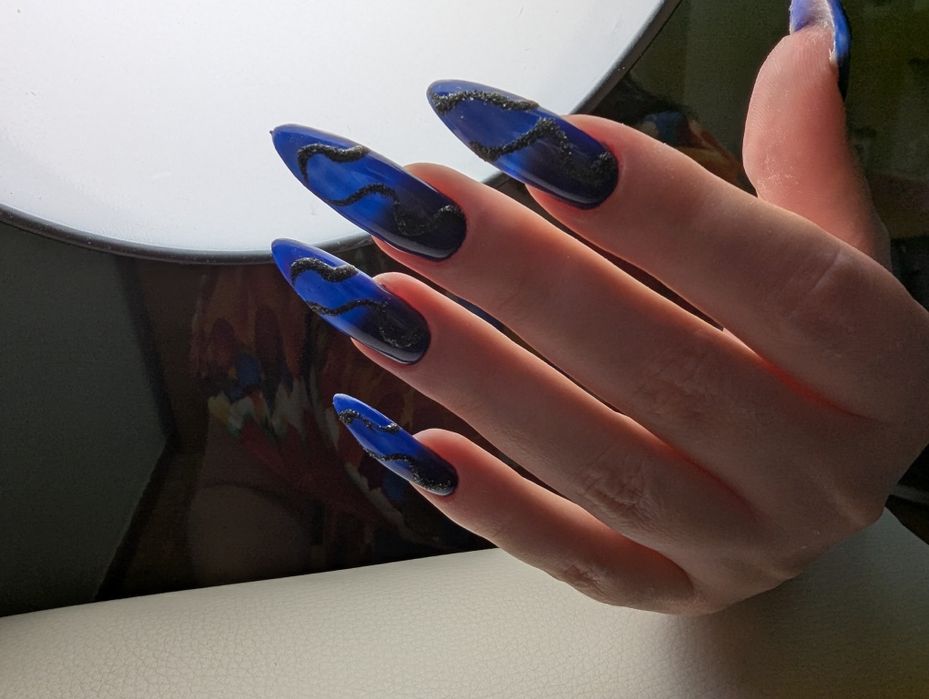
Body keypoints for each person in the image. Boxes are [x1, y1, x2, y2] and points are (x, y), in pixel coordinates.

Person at [196, 2, 929, 614]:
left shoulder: (672, 171)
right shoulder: (253, 281)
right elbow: (241, 483)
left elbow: (784, 432)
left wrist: (814, 511)